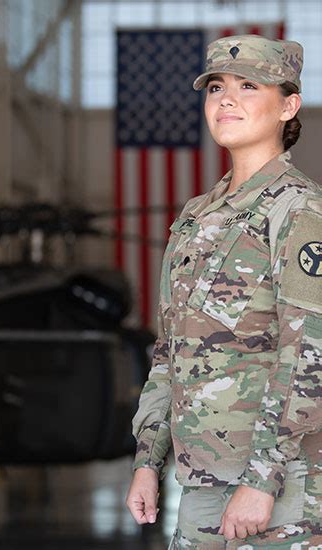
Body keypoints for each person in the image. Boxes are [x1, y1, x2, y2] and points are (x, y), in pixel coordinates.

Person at [126, 34, 322, 549]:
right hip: (202, 482)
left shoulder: (299, 211)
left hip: (282, 485)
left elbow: (307, 355)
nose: (226, 100)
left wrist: (262, 480)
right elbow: (169, 351)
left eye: (248, 86)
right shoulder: (197, 216)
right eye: (216, 88)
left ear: (289, 107)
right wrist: (147, 461)